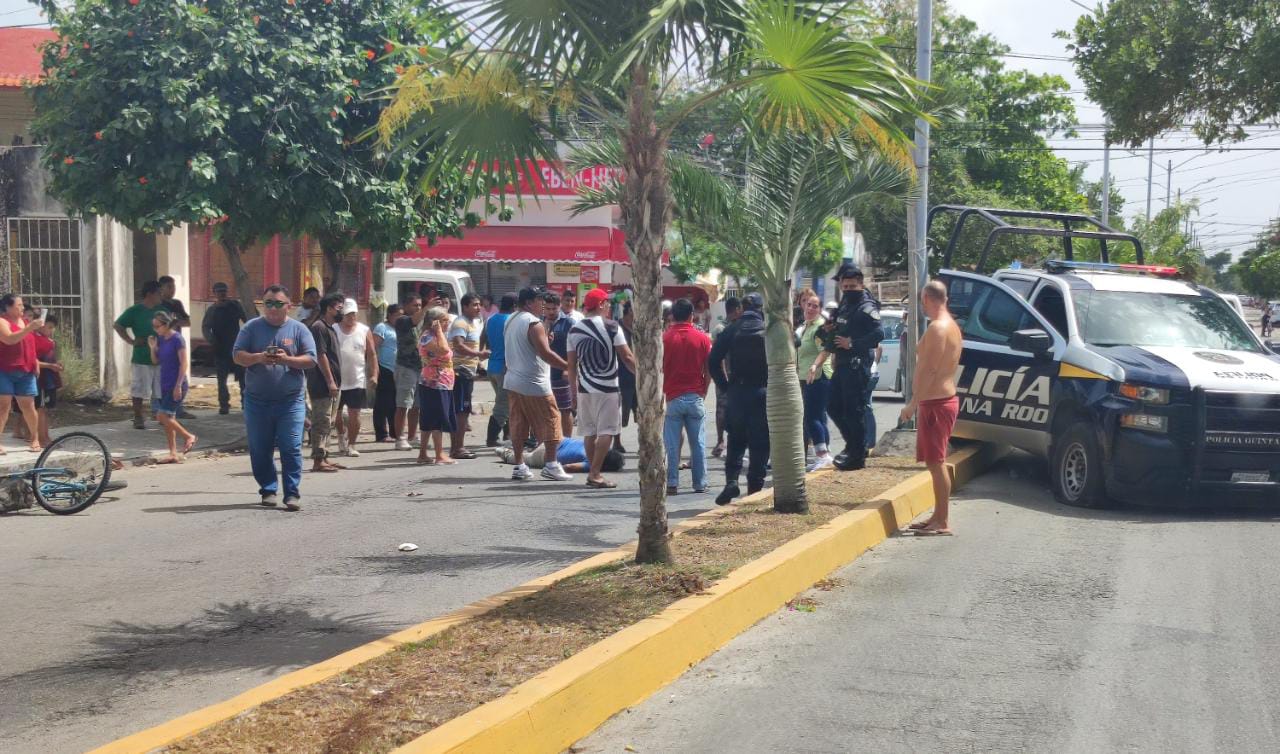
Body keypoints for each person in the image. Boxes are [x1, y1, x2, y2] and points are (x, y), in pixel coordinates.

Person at [232, 285, 317, 510]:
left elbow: (311, 359)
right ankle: (268, 489)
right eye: (268, 303)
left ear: (289, 306)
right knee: (260, 448)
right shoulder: (251, 328)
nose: (272, 307)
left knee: (291, 447)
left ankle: (292, 493)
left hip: (290, 402)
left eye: (278, 303)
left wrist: (287, 360)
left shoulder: (299, 330)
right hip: (257, 401)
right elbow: (237, 356)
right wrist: (259, 357)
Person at [899, 280, 963, 536]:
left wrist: (913, 404)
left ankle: (943, 520)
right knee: (934, 462)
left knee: (937, 463)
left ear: (926, 298)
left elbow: (931, 369)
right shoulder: (951, 325)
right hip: (937, 401)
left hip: (937, 403)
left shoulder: (938, 328)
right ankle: (937, 516)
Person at [566, 287, 636, 489]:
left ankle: (593, 471)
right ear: (601, 305)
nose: (608, 308)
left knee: (589, 432)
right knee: (607, 431)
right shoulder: (612, 326)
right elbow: (627, 357)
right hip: (608, 388)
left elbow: (571, 365)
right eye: (607, 304)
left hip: (585, 388)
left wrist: (573, 391)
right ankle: (595, 473)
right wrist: (643, 376)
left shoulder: (574, 330)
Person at [504, 287, 572, 481]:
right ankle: (551, 464)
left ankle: (519, 465)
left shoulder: (511, 319)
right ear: (528, 303)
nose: (542, 304)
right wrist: (569, 366)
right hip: (534, 382)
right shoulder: (533, 323)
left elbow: (529, 347)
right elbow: (546, 354)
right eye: (539, 300)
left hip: (513, 380)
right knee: (552, 420)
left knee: (518, 423)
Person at [708, 292, 769, 504]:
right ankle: (754, 489)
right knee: (760, 443)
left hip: (737, 392)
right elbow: (794, 342)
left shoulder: (732, 329)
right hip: (762, 392)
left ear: (742, 308)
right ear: (761, 309)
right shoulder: (767, 329)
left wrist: (725, 387)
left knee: (735, 439)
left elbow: (713, 361)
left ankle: (732, 481)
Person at [825, 263, 882, 471]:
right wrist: (831, 329)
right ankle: (852, 445)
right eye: (845, 286)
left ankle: (857, 455)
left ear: (860, 284)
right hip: (842, 364)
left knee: (853, 411)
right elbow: (843, 326)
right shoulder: (845, 304)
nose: (848, 290)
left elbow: (878, 334)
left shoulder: (866, 306)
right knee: (833, 406)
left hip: (857, 365)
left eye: (852, 286)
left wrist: (852, 344)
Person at [663, 298, 712, 495]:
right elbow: (708, 369)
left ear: (673, 316)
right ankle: (700, 483)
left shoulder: (665, 338)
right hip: (695, 395)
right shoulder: (702, 338)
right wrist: (704, 390)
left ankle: (672, 482)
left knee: (672, 445)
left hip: (672, 396)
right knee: (698, 443)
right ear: (692, 316)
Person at [114, 280, 165, 430]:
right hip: (142, 357)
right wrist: (131, 341)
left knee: (163, 389)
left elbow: (170, 328)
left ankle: (164, 416)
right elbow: (118, 325)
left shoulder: (163, 311)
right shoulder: (135, 311)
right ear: (150, 294)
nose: (161, 296)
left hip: (161, 357)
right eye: (158, 293)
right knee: (139, 390)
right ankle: (138, 417)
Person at [148, 311, 196, 463]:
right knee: (169, 419)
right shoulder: (161, 339)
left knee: (161, 416)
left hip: (177, 383)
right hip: (165, 383)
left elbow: (184, 363)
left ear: (166, 324)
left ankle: (188, 436)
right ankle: (173, 453)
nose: (155, 329)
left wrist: (178, 385)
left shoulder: (177, 339)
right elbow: (155, 361)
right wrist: (152, 348)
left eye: (157, 326)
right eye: (153, 326)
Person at [333, 298, 377, 457]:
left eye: (353, 314)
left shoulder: (364, 330)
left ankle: (351, 444)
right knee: (336, 415)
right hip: (337, 381)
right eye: (348, 314)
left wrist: (374, 374)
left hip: (356, 380)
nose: (351, 317)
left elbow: (372, 354)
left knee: (355, 414)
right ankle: (340, 436)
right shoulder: (333, 329)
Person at [797, 290, 835, 470]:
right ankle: (825, 454)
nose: (811, 308)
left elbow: (825, 350)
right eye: (808, 304)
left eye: (815, 306)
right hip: (807, 377)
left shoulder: (819, 328)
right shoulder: (806, 326)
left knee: (811, 417)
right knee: (818, 417)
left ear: (820, 309)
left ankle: (822, 455)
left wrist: (814, 366)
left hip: (818, 377)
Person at [0, 294, 43, 453]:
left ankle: (34, 438)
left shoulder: (24, 322)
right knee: (3, 406)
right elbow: (10, 339)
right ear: (8, 307)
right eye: (19, 305)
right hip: (4, 369)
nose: (22, 308)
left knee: (29, 406)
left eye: (22, 305)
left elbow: (29, 344)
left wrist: (35, 361)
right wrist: (29, 328)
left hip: (26, 370)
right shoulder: (2, 322)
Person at [306, 293, 344, 472]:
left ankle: (325, 456)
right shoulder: (318, 327)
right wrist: (330, 381)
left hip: (333, 384)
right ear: (329, 309)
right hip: (322, 384)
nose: (342, 311)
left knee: (330, 422)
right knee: (321, 421)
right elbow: (321, 356)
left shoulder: (331, 328)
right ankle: (318, 459)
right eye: (339, 308)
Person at [448, 293, 489, 459]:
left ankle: (458, 447)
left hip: (468, 372)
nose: (478, 308)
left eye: (479, 304)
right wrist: (478, 354)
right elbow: (458, 345)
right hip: (460, 372)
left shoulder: (473, 323)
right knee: (460, 411)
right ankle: (457, 448)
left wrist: (478, 363)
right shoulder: (461, 323)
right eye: (474, 305)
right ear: (465, 307)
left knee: (463, 411)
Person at [417, 306, 457, 465]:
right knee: (436, 418)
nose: (448, 323)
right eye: (444, 320)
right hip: (434, 382)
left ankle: (423, 454)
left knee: (429, 418)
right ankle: (439, 454)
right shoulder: (428, 337)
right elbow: (443, 350)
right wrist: (439, 331)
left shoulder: (435, 336)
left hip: (441, 382)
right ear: (435, 322)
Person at [201, 281, 248, 415]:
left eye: (224, 291)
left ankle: (245, 404)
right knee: (222, 380)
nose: (222, 294)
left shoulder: (235, 306)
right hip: (220, 348)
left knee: (243, 379)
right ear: (214, 293)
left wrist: (248, 337)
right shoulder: (212, 310)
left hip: (236, 347)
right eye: (219, 291)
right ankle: (224, 405)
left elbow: (247, 319)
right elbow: (205, 327)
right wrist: (211, 340)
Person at [481, 293, 516, 447]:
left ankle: (508, 435)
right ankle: (492, 438)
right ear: (514, 306)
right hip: (505, 368)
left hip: (492, 366)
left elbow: (483, 338)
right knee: (503, 404)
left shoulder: (491, 319)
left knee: (507, 402)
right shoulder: (511, 321)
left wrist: (481, 355)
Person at [709, 296, 741, 457]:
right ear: (737, 310)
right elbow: (718, 356)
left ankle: (730, 440)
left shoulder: (730, 327)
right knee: (723, 408)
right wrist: (724, 376)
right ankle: (721, 440)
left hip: (734, 375)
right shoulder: (722, 329)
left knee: (731, 408)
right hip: (726, 375)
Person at [495, 437, 626, 475]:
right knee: (526, 459)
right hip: (547, 455)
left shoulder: (593, 445)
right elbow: (569, 467)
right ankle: (506, 453)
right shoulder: (591, 462)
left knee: (531, 452)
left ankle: (521, 445)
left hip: (555, 440)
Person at [545, 290, 576, 438]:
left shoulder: (569, 323)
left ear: (559, 307)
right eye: (548, 309)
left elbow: (576, 348)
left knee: (565, 409)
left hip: (561, 373)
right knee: (546, 411)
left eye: (554, 309)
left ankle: (567, 441)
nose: (551, 312)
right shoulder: (539, 322)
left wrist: (569, 369)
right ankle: (550, 440)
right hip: (543, 374)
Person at [371, 303, 400, 442]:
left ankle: (395, 432)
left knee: (395, 403)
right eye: (397, 315)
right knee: (383, 402)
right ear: (389, 315)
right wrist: (374, 369)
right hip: (384, 368)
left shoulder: (401, 328)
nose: (399, 318)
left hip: (398, 370)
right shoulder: (382, 327)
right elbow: (373, 348)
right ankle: (381, 433)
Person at [32, 313, 61, 448]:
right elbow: (33, 361)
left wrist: (57, 365)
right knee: (40, 409)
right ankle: (42, 439)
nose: (51, 330)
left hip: (49, 380)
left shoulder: (50, 342)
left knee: (46, 410)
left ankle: (47, 437)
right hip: (40, 380)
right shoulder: (33, 339)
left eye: (53, 328)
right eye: (49, 327)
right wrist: (50, 366)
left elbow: (52, 359)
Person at [614, 302, 637, 454]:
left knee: (641, 411)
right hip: (622, 375)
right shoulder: (616, 328)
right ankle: (616, 443)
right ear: (628, 312)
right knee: (619, 411)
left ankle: (644, 441)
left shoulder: (639, 328)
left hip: (639, 377)